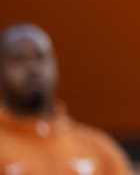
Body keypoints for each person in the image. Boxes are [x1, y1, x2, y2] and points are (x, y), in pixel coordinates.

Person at [0, 23, 132, 175]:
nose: (33, 68)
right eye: (19, 59)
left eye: (40, 57)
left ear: (55, 65)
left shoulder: (99, 149)